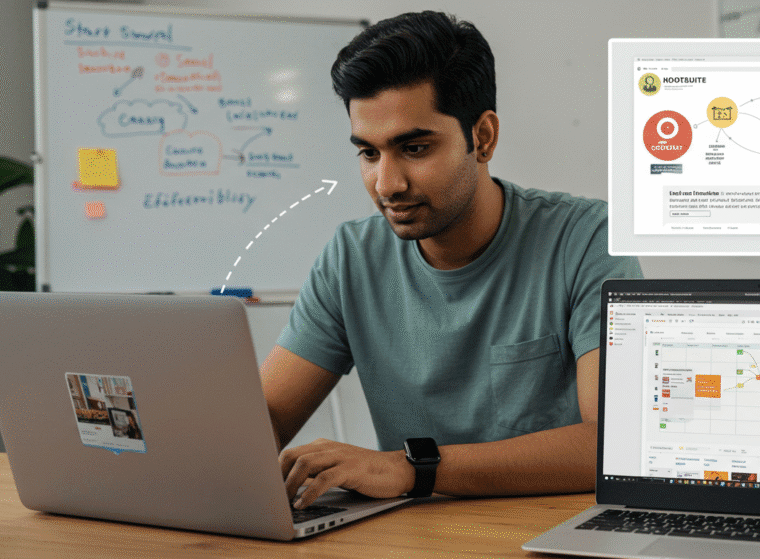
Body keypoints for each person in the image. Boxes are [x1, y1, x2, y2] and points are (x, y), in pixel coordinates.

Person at [260, 10, 642, 510]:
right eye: (369, 153)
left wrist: (410, 468)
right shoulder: (351, 259)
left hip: (547, 532)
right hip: (411, 537)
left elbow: (613, 443)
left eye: (415, 148)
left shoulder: (587, 239)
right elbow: (263, 421)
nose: (386, 184)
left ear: (482, 138)